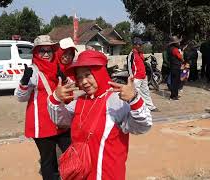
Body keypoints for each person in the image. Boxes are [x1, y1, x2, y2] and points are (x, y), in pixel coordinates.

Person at [47, 50, 152, 180]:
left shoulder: (116, 100)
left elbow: (143, 126)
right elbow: (60, 120)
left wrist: (134, 100)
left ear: (100, 73)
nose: (83, 82)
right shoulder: (81, 101)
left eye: (88, 75)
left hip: (107, 174)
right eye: (79, 77)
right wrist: (55, 98)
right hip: (79, 173)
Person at [14, 35, 71, 180]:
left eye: (49, 50)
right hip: (42, 124)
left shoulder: (57, 67)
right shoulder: (33, 71)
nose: (46, 54)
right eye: (42, 51)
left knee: (71, 151)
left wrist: (64, 79)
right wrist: (24, 81)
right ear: (35, 53)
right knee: (49, 161)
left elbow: (69, 90)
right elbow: (21, 97)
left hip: (59, 120)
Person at [127, 37, 158, 111]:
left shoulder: (140, 54)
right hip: (136, 77)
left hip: (143, 76)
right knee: (135, 94)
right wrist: (131, 76)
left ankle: (150, 106)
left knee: (146, 92)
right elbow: (129, 66)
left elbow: (143, 62)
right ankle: (134, 108)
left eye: (141, 45)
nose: (141, 46)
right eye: (139, 45)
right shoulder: (131, 54)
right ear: (135, 45)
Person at [167, 36, 185, 100]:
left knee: (173, 81)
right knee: (176, 82)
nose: (179, 43)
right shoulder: (175, 49)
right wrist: (182, 54)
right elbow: (180, 57)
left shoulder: (169, 49)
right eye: (178, 42)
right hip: (176, 67)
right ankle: (174, 96)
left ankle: (173, 95)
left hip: (172, 66)